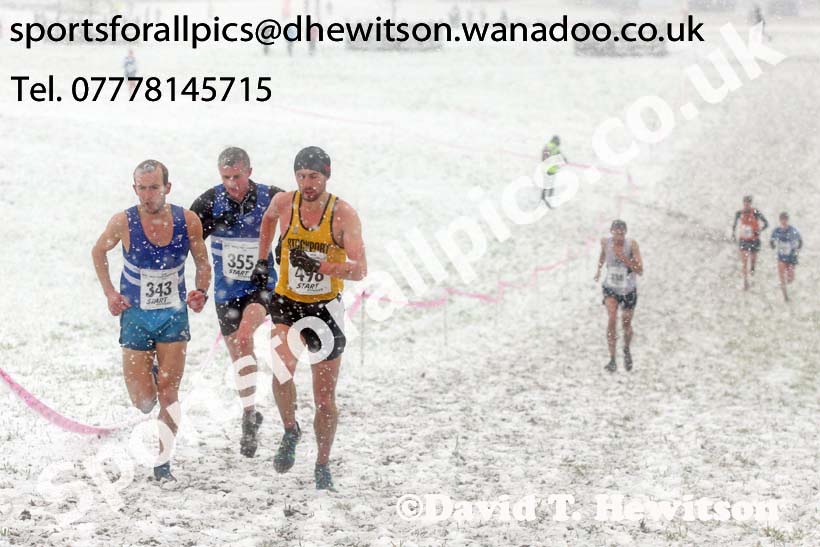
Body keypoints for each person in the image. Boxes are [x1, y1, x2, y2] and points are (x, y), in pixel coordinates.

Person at [252, 146, 367, 490]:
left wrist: (320, 266)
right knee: (281, 367)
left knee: (324, 399)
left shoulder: (343, 214)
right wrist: (263, 259)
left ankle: (322, 463)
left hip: (325, 311)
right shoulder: (285, 203)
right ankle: (290, 430)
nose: (307, 184)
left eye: (313, 177)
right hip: (288, 303)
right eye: (301, 177)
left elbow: (360, 270)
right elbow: (269, 218)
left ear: (326, 175)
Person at [92, 160, 211, 481]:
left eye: (154, 188)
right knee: (143, 401)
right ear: (135, 189)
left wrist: (201, 290)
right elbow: (98, 252)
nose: (147, 195)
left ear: (167, 188)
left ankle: (163, 461)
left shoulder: (188, 221)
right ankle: (152, 375)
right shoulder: (123, 222)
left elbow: (202, 262)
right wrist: (110, 294)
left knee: (169, 392)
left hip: (173, 316)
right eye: (141, 188)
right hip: (136, 317)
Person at [190, 147, 283, 458]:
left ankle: (249, 413)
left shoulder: (271, 196)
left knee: (245, 335)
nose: (232, 183)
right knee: (240, 355)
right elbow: (188, 240)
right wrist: (199, 286)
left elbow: (299, 217)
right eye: (226, 177)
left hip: (260, 286)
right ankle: (249, 413)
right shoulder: (209, 201)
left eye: (237, 177)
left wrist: (283, 254)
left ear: (249, 171)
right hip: (225, 292)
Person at [594, 220, 643, 372]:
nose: (619, 236)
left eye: (622, 233)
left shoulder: (632, 245)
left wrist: (624, 258)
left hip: (628, 290)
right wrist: (598, 270)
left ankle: (626, 349)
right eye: (616, 232)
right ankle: (612, 359)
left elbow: (640, 270)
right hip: (611, 288)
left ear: (626, 232)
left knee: (626, 324)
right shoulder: (605, 242)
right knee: (612, 318)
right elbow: (603, 256)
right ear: (611, 231)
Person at [732, 195, 769, 290]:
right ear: (743, 203)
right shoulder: (739, 213)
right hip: (744, 239)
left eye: (748, 203)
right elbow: (734, 225)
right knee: (744, 261)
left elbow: (766, 223)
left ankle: (752, 268)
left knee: (753, 259)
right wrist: (733, 234)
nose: (746, 205)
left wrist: (759, 230)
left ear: (750, 203)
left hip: (754, 240)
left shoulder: (755, 212)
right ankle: (745, 282)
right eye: (745, 203)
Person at [770, 212, 802, 302]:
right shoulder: (777, 230)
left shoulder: (792, 230)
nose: (783, 221)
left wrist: (797, 248)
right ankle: (785, 296)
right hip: (781, 256)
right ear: (780, 220)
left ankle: (791, 288)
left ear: (787, 220)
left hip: (791, 257)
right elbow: (772, 240)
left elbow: (800, 241)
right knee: (781, 276)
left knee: (791, 278)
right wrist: (772, 244)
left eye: (785, 219)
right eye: (782, 220)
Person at [541, 135, 567, 208]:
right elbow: (562, 157)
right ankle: (549, 200)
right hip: (552, 169)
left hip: (545, 169)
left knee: (546, 184)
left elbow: (543, 157)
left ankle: (543, 197)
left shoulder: (547, 146)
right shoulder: (555, 148)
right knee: (551, 185)